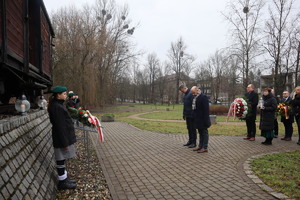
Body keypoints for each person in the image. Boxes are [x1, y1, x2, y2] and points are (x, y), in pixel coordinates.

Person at [47, 86, 77, 190]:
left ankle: (65, 178)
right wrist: (65, 143)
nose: (66, 95)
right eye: (64, 94)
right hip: (61, 139)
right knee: (60, 159)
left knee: (62, 159)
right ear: (58, 95)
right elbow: (60, 127)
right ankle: (62, 182)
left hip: (62, 138)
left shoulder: (58, 105)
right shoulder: (57, 107)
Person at [191, 86, 211, 153]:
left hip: (203, 119)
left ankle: (204, 147)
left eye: (193, 92)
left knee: (204, 133)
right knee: (200, 133)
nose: (193, 94)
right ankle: (200, 146)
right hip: (198, 119)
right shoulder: (196, 97)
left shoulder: (203, 97)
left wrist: (206, 120)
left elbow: (206, 110)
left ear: (197, 90)